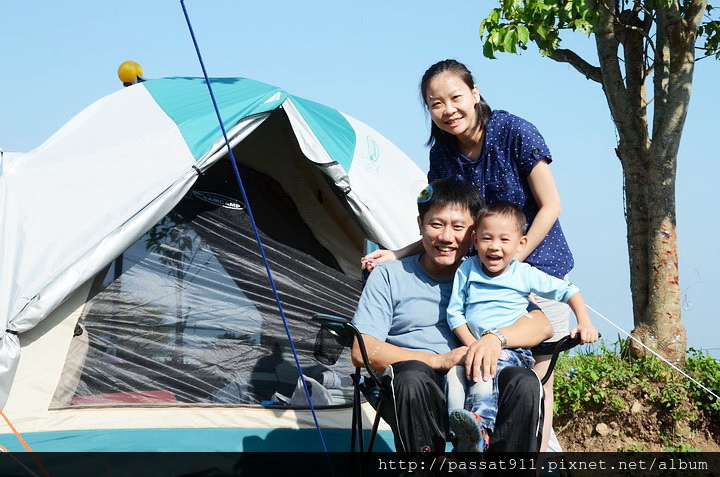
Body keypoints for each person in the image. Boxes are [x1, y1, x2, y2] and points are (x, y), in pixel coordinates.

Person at [362, 58, 576, 451]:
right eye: (435, 103)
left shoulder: (513, 131)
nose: (448, 109)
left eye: (456, 97)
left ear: (475, 93)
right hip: (482, 275)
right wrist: (399, 253)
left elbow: (551, 205)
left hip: (536, 267)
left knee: (533, 385)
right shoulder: (442, 154)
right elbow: (446, 219)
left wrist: (517, 256)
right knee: (479, 371)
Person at [351, 178, 553, 464]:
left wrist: (495, 339)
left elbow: (541, 325)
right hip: (418, 391)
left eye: (458, 227)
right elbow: (362, 350)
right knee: (411, 376)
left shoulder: (487, 276)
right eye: (436, 224)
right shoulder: (389, 276)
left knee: (523, 380)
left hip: (483, 387)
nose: (446, 237)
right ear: (420, 225)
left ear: (474, 234)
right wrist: (438, 361)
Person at [445, 201, 598, 453]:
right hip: (472, 344)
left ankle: (481, 429)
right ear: (474, 239)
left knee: (485, 372)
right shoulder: (467, 269)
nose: (494, 246)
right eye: (486, 238)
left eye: (505, 240)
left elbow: (568, 290)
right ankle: (460, 438)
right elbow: (455, 315)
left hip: (511, 350)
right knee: (453, 375)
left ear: (521, 244)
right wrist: (474, 347)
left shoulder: (523, 273)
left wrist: (585, 322)